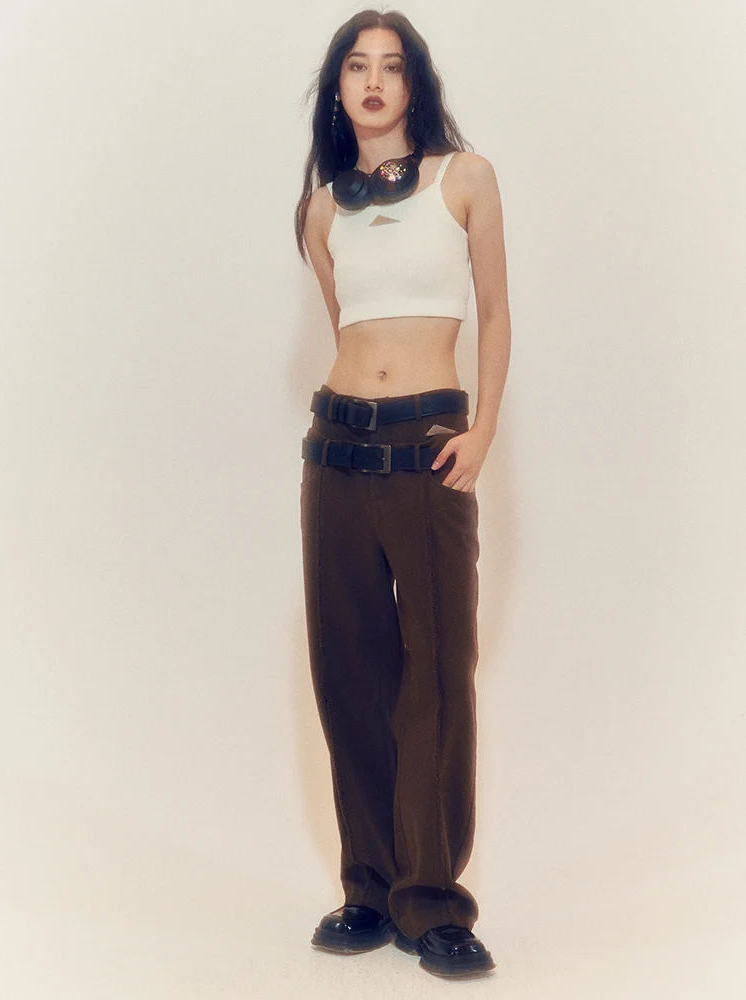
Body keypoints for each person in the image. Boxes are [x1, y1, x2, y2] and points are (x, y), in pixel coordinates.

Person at [294, 9, 511, 981]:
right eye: (356, 66)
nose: (373, 80)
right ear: (338, 89)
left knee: (438, 674)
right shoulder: (320, 210)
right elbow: (347, 324)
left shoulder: (465, 179)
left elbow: (495, 313)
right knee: (349, 673)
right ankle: (370, 887)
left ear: (414, 84)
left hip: (429, 451)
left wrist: (483, 428)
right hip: (336, 453)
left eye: (391, 65)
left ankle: (435, 901)